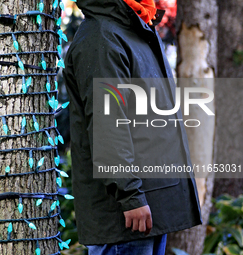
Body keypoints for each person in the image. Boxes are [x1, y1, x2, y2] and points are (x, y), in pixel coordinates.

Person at [62, 0, 203, 254]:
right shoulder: (101, 37)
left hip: (149, 211)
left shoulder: (136, 28)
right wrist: (130, 195)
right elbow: (108, 126)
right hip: (126, 218)